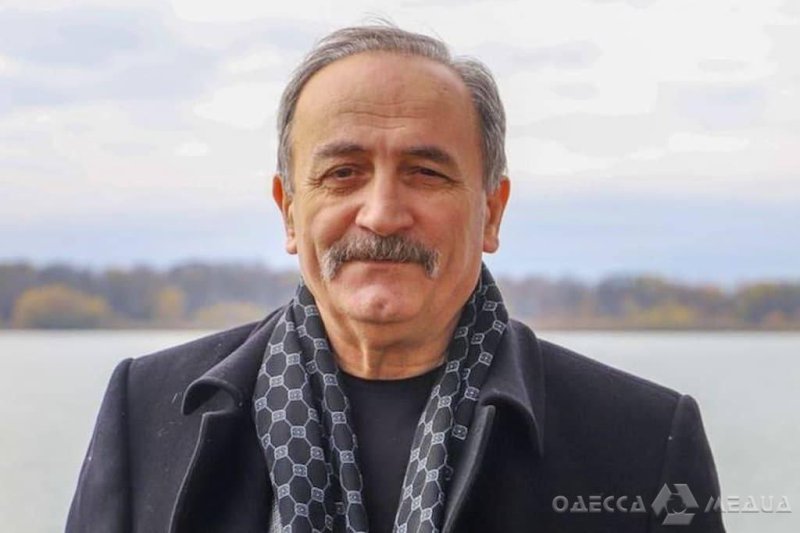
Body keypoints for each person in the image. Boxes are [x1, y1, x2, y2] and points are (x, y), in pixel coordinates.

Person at [67, 24, 724, 533]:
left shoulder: (644, 442)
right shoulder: (147, 410)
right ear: (289, 210)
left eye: (425, 173)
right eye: (343, 173)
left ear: (491, 212)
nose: (382, 213)